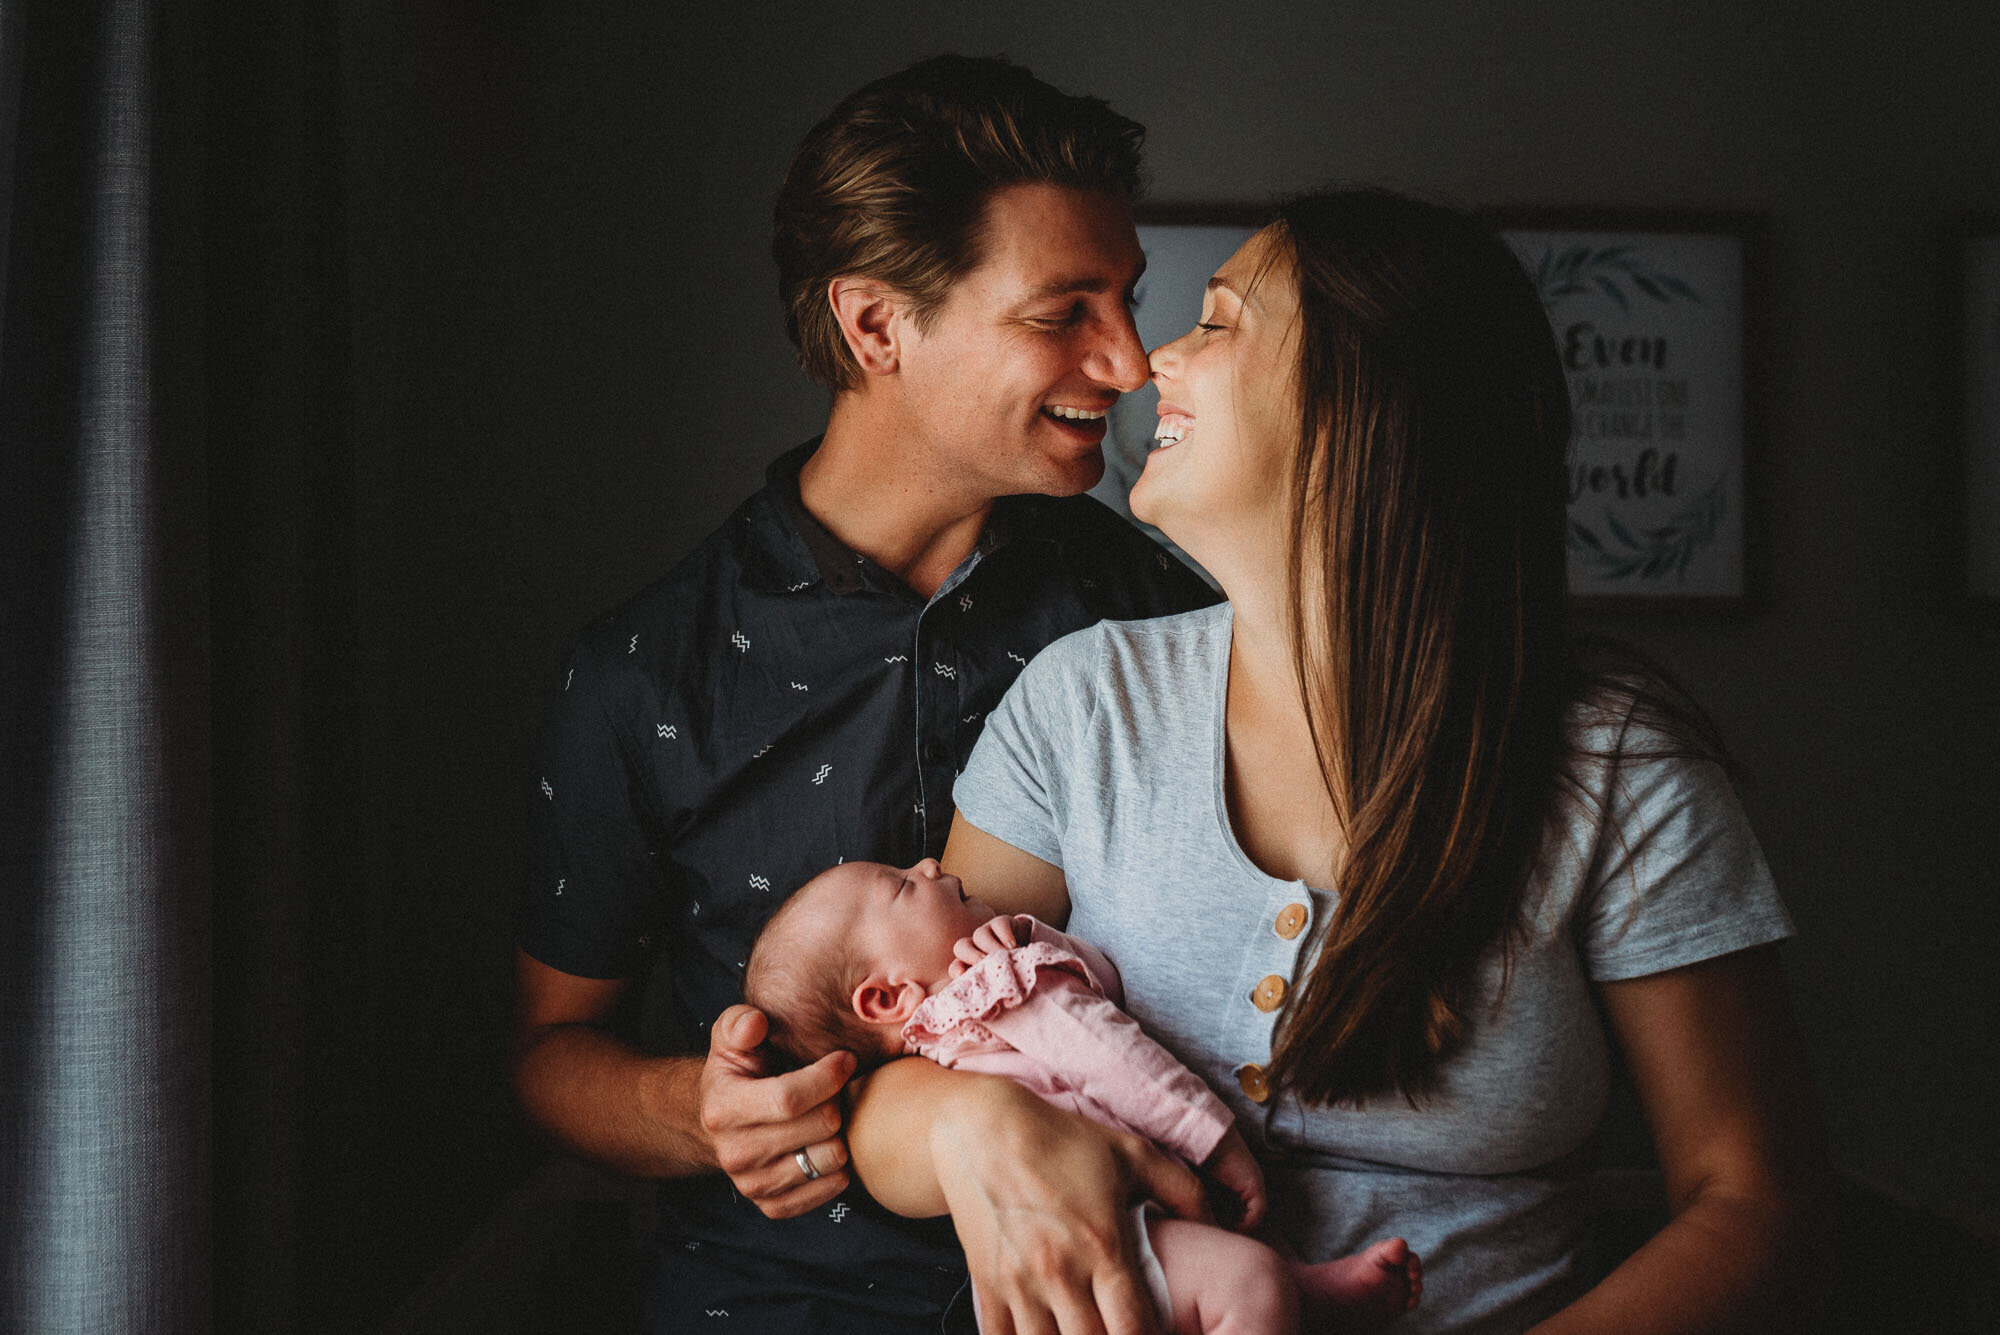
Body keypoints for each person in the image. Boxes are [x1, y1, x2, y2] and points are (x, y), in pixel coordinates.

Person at [846, 188, 1830, 1333]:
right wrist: (972, 1127)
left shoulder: (1611, 758)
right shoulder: (1081, 705)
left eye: (1216, 322)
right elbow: (909, 1077)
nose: (1153, 357)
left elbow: (1754, 1197)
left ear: (1360, 398)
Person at [509, 54, 1220, 1333]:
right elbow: (551, 1053)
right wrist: (697, 1109)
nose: (1126, 364)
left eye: (1127, 301)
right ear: (875, 325)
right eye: (1064, 310)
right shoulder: (637, 674)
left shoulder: (1163, 616)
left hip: (1158, 1294)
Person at [743, 856, 1423, 1334]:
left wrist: (1031, 938)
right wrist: (1211, 1137)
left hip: (1069, 1250)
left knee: (1244, 1262)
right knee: (1251, 1284)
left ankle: (1311, 1297)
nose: (927, 864)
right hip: (1112, 1224)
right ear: (887, 996)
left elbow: (1094, 982)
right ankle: (1293, 1295)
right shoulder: (994, 988)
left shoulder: (945, 1041)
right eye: (901, 886)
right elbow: (1111, 1050)